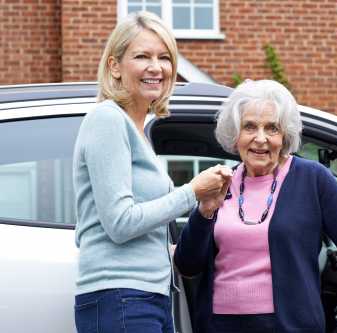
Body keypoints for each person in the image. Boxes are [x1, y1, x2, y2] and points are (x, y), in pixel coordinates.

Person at [174, 79, 337, 332]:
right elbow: (187, 265)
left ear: (285, 136)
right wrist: (204, 212)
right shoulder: (220, 183)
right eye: (250, 127)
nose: (260, 139)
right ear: (236, 135)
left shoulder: (312, 179)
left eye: (272, 128)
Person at [72, 11, 231, 333]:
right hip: (122, 297)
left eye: (164, 57)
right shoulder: (108, 120)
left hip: (147, 296)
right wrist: (191, 191)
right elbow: (120, 223)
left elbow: (141, 225)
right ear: (115, 66)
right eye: (142, 56)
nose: (156, 67)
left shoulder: (138, 131)